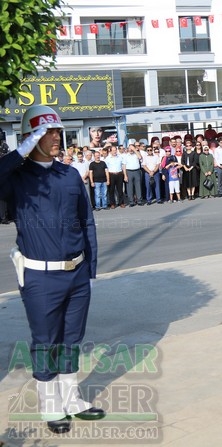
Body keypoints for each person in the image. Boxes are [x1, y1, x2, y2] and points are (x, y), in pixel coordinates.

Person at [0, 105, 105, 434]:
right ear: (31, 138)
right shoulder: (16, 178)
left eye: (58, 131)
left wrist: (90, 267)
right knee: (46, 341)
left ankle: (72, 400)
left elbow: (86, 221)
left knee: (72, 339)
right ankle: (50, 405)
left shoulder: (69, 174)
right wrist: (21, 151)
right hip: (40, 276)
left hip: (76, 273)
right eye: (47, 132)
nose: (57, 137)